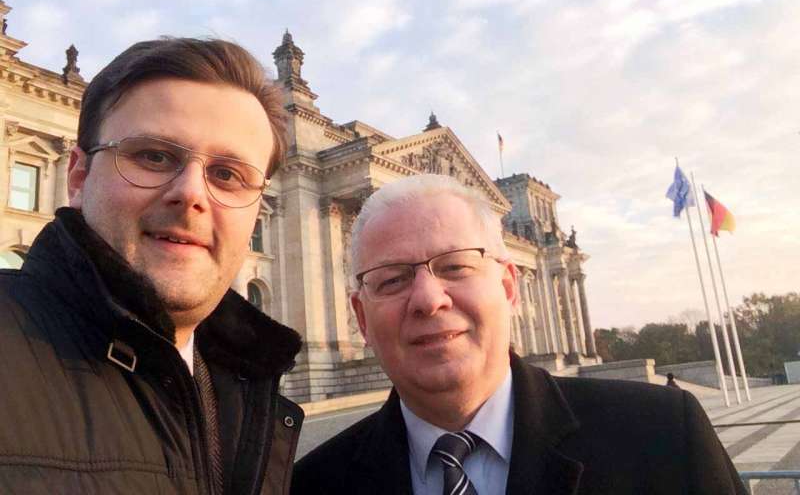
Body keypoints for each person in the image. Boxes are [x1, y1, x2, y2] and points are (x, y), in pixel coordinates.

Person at [291, 174, 746, 494]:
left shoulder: (664, 436)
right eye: (392, 278)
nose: (429, 300)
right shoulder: (309, 484)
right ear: (361, 317)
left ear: (509, 287)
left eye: (456, 266)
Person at [0, 38, 304, 494]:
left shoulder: (248, 398)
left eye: (227, 175)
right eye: (154, 156)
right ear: (79, 177)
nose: (192, 194)